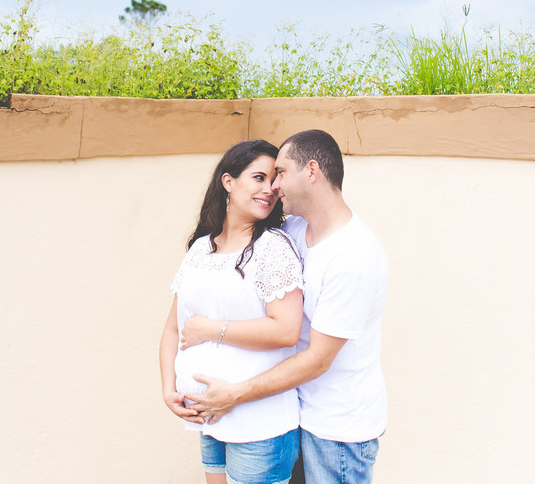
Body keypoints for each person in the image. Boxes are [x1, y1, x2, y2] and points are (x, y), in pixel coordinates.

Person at [191, 129, 389, 484]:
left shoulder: (354, 257)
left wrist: (235, 394)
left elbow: (318, 358)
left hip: (337, 429)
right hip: (295, 412)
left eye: (280, 172)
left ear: (311, 171)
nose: (274, 185)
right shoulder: (297, 229)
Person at [159, 139, 305, 484]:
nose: (269, 189)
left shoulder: (273, 247)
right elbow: (171, 329)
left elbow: (286, 330)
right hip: (209, 417)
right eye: (258, 178)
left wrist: (212, 328)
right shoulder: (200, 248)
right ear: (229, 181)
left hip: (259, 424)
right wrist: (168, 388)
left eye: (274, 180)